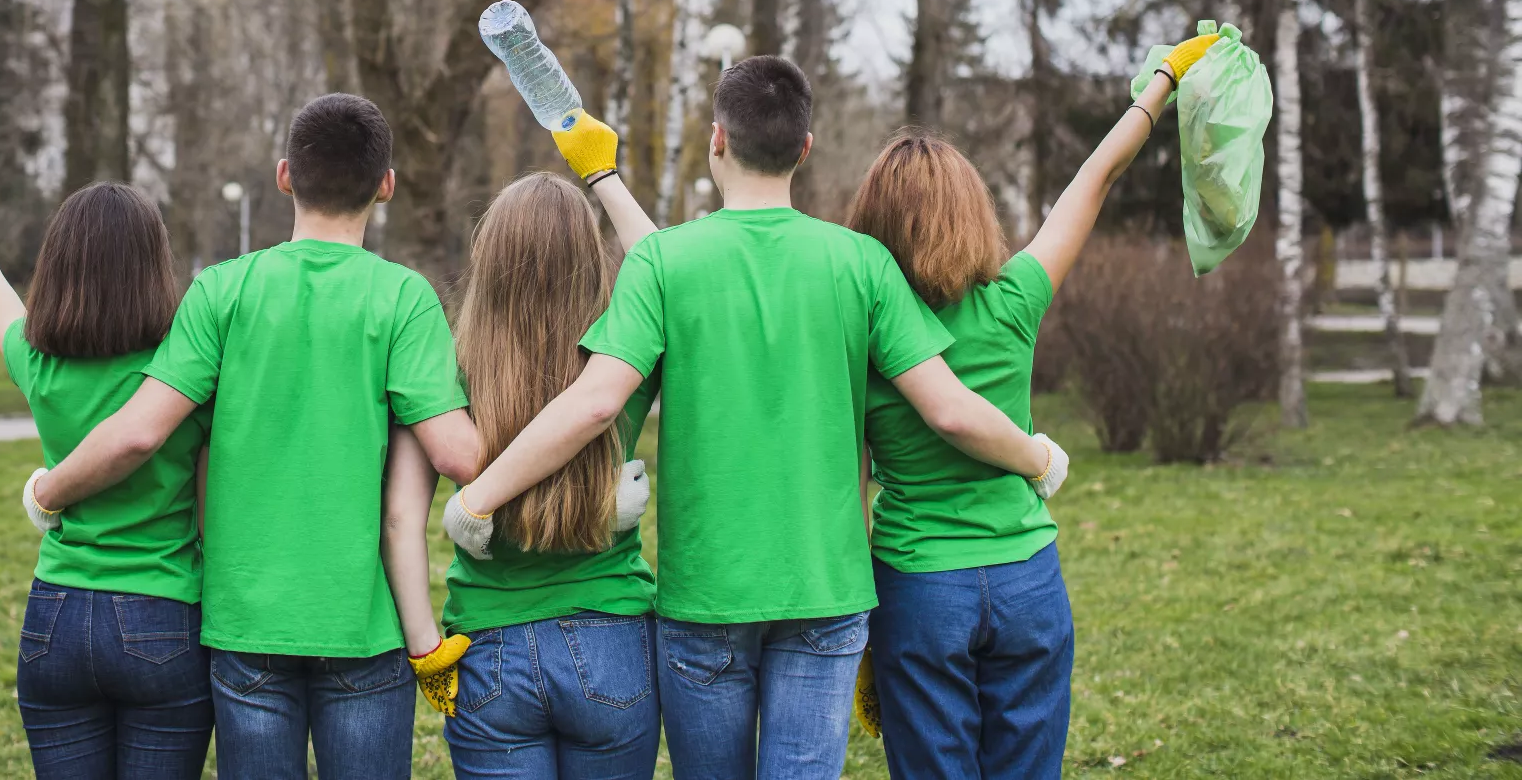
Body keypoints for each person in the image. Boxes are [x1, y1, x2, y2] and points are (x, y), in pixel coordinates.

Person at [440, 56, 1069, 780]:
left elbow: (599, 398)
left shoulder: (666, 264)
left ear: (717, 139)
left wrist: (480, 497)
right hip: (825, 593)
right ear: (805, 147)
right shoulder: (863, 263)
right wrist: (1036, 456)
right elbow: (948, 407)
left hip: (706, 597)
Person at [24, 93, 481, 780]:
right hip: (361, 623)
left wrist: (48, 492)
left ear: (284, 176)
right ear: (386, 184)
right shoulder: (405, 297)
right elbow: (457, 454)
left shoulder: (219, 292)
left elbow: (141, 431)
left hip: (245, 625)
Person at [844, 31, 1219, 780]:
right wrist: (1162, 80)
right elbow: (1095, 176)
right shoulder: (1015, 298)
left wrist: (859, 627)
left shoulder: (863, 332)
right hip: (1028, 580)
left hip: (918, 588)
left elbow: (850, 491)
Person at [0, 89, 214, 780]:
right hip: (163, 613)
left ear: (59, 263)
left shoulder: (38, 361)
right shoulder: (184, 369)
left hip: (54, 615)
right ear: (154, 264)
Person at [382, 145, 661, 780]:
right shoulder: (620, 357)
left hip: (489, 647)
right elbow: (666, 267)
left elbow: (401, 520)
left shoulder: (446, 365)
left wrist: (425, 649)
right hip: (611, 636)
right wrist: (604, 178)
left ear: (487, 261)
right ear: (591, 260)